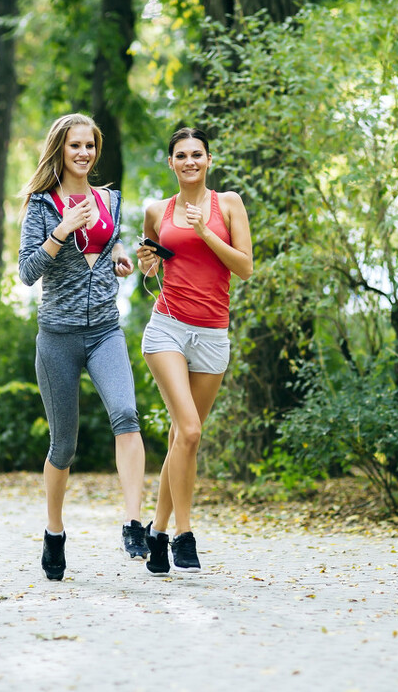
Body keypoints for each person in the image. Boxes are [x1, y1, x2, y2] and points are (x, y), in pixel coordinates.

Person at [17, 113, 147, 581]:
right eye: (75, 145)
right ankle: (54, 531)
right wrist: (61, 231)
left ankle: (133, 523)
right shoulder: (41, 205)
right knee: (64, 446)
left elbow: (110, 239)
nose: (84, 153)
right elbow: (27, 272)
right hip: (58, 338)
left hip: (106, 331)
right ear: (61, 149)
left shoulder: (110, 197)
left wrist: (117, 253)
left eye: (90, 145)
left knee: (126, 415)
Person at [135, 127, 253, 574]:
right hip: (167, 328)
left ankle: (157, 532)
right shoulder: (157, 210)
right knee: (189, 432)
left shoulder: (228, 204)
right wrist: (148, 260)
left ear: (209, 160)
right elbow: (151, 251)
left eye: (197, 154)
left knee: (180, 439)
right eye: (181, 155)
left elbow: (245, 268)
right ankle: (184, 534)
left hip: (213, 334)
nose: (189, 161)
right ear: (171, 163)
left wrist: (205, 232)